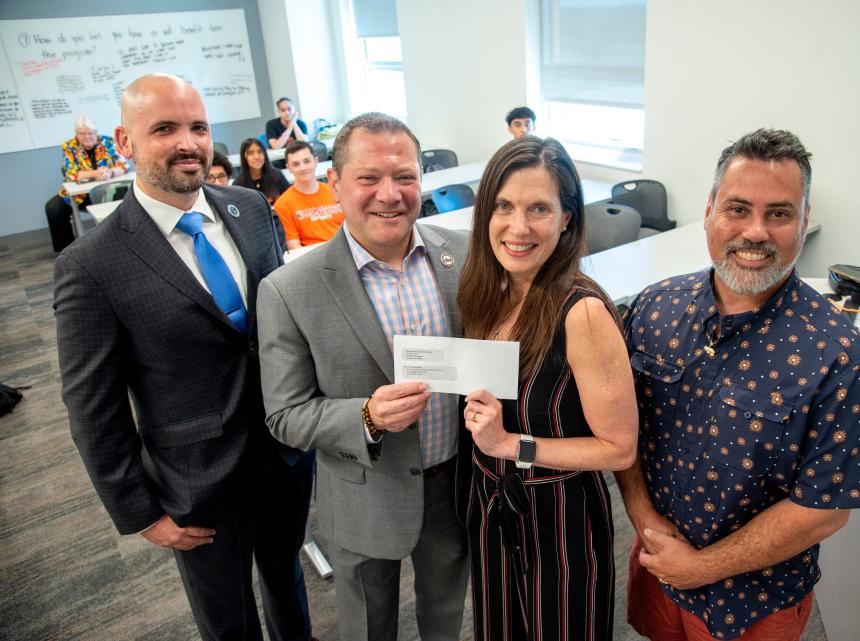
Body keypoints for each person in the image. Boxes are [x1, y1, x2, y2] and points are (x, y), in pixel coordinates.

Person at [53, 73, 316, 641]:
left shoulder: (250, 208)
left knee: (288, 583)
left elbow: (281, 329)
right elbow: (93, 407)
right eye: (164, 128)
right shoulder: (91, 264)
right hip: (197, 481)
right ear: (124, 142)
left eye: (198, 127)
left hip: (284, 457)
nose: (188, 142)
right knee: (228, 619)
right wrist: (140, 512)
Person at [617, 128, 860, 641]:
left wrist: (701, 567)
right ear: (708, 212)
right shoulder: (653, 309)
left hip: (753, 600)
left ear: (804, 221)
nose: (756, 232)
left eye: (780, 214)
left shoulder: (839, 355)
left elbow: (826, 510)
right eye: (738, 209)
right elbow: (624, 428)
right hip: (659, 559)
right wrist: (642, 515)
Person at [257, 112, 470, 641]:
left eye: (404, 177)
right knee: (369, 628)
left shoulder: (464, 257)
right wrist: (365, 415)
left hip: (455, 486)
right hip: (364, 496)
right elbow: (284, 416)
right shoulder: (289, 288)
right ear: (335, 184)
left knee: (445, 619)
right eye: (368, 178)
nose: (389, 194)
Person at [457, 136, 638, 640]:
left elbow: (619, 448)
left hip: (558, 519)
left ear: (567, 218)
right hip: (493, 505)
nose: (518, 227)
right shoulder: (488, 289)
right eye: (504, 206)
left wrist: (509, 445)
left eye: (539, 208)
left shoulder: (582, 312)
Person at [44, 116, 128, 252]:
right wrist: (95, 174)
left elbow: (123, 165)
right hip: (79, 195)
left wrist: (110, 173)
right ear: (76, 135)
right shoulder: (69, 147)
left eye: (90, 133)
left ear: (96, 132)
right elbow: (71, 173)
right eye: (82, 134)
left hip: (107, 190)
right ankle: (67, 250)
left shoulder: (108, 142)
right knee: (53, 208)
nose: (87, 137)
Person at [272, 141, 344, 249]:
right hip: (313, 258)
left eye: (306, 161)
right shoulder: (283, 205)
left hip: (346, 251)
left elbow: (354, 229)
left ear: (316, 161)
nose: (303, 168)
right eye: (296, 164)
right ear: (288, 168)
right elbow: (294, 247)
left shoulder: (336, 191)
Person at [233, 137, 289, 205]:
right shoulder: (239, 184)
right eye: (251, 153)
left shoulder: (277, 175)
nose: (256, 157)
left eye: (260, 152)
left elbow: (289, 200)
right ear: (244, 157)